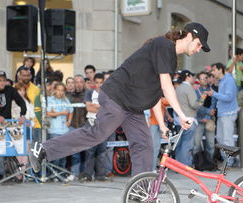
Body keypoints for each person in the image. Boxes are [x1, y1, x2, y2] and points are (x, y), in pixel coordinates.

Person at [28, 22, 211, 175]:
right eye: (199, 44)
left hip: (133, 106)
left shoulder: (170, 58)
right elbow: (166, 85)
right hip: (117, 97)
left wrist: (162, 125)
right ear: (189, 37)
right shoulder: (163, 45)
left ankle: (140, 191)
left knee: (144, 144)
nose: (199, 49)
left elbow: (156, 93)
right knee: (97, 134)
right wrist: (181, 114)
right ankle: (42, 149)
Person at [207, 62, 238, 167]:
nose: (212, 72)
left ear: (220, 69)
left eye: (214, 70)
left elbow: (229, 97)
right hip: (222, 113)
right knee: (220, 138)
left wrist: (214, 94)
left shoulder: (228, 80)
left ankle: (229, 162)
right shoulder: (223, 80)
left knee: (227, 139)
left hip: (228, 113)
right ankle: (227, 160)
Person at [79, 73, 108, 181]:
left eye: (101, 83)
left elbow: (108, 109)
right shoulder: (89, 92)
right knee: (90, 151)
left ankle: (101, 175)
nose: (99, 85)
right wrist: (100, 108)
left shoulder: (107, 94)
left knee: (102, 151)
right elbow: (88, 108)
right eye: (97, 82)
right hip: (91, 123)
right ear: (93, 83)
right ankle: (88, 175)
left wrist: (96, 106)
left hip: (103, 124)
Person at [175, 70, 201, 166]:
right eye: (193, 76)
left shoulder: (178, 88)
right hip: (189, 119)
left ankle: (177, 166)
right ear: (188, 76)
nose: (194, 79)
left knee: (180, 143)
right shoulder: (188, 88)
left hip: (179, 119)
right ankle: (185, 165)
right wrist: (201, 101)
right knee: (187, 143)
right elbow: (194, 104)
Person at [47, 83, 73, 169]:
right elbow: (48, 113)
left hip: (64, 131)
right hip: (54, 130)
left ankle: (61, 173)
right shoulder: (50, 99)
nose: (60, 92)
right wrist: (60, 113)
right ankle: (53, 173)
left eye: (62, 90)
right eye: (58, 90)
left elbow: (71, 110)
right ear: (55, 90)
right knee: (55, 153)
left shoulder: (66, 100)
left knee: (63, 154)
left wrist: (69, 120)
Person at [193, 71, 216, 160]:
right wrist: (207, 112)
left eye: (206, 78)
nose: (204, 80)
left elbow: (213, 105)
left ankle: (210, 162)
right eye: (202, 78)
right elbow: (196, 106)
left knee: (211, 143)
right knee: (196, 144)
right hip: (198, 120)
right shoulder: (196, 91)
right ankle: (196, 163)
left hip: (209, 120)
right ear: (198, 80)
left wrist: (207, 117)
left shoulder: (212, 90)